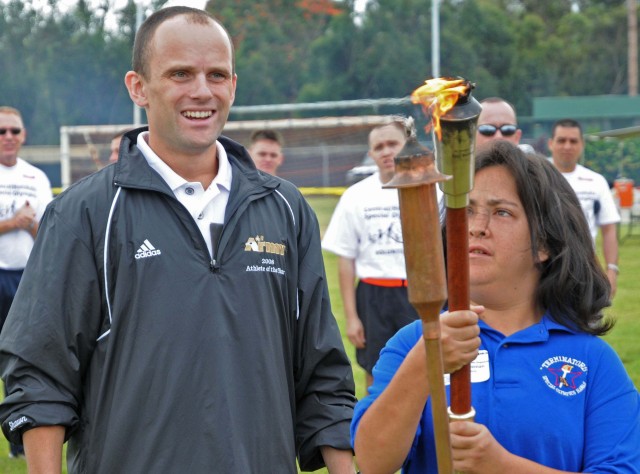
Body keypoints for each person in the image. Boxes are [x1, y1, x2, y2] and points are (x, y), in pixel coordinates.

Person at [0, 7, 356, 474]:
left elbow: (323, 375)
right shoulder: (84, 212)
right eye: (180, 73)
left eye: (217, 75)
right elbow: (41, 376)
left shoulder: (286, 210)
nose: (202, 91)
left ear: (233, 84)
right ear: (138, 87)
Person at [351, 142, 640, 473]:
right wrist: (425, 362)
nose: (476, 226)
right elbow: (373, 462)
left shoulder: (593, 360)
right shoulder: (415, 342)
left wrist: (499, 465)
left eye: (502, 212)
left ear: (544, 244)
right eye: (468, 210)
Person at [322, 118, 430, 390]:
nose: (386, 152)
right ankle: (377, 426)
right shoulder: (356, 196)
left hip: (419, 295)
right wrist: (352, 317)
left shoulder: (430, 189)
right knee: (377, 370)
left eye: (392, 144)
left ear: (407, 146)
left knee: (425, 368)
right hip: (373, 297)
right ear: (371, 154)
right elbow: (346, 260)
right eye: (378, 147)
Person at [0, 106, 53, 459]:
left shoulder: (37, 178)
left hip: (27, 277)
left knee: (21, 361)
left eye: (14, 131)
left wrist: (29, 224)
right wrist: (14, 222)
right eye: (1, 131)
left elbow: (49, 235)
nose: (8, 137)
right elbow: (19, 222)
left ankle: (19, 438)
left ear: (24, 135)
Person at [548, 118, 620, 296]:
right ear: (551, 144)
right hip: (543, 268)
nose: (567, 146)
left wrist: (611, 270)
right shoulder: (535, 176)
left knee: (584, 320)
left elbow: (609, 229)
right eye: (561, 140)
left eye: (573, 141)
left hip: (584, 268)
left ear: (582, 145)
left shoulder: (596, 181)